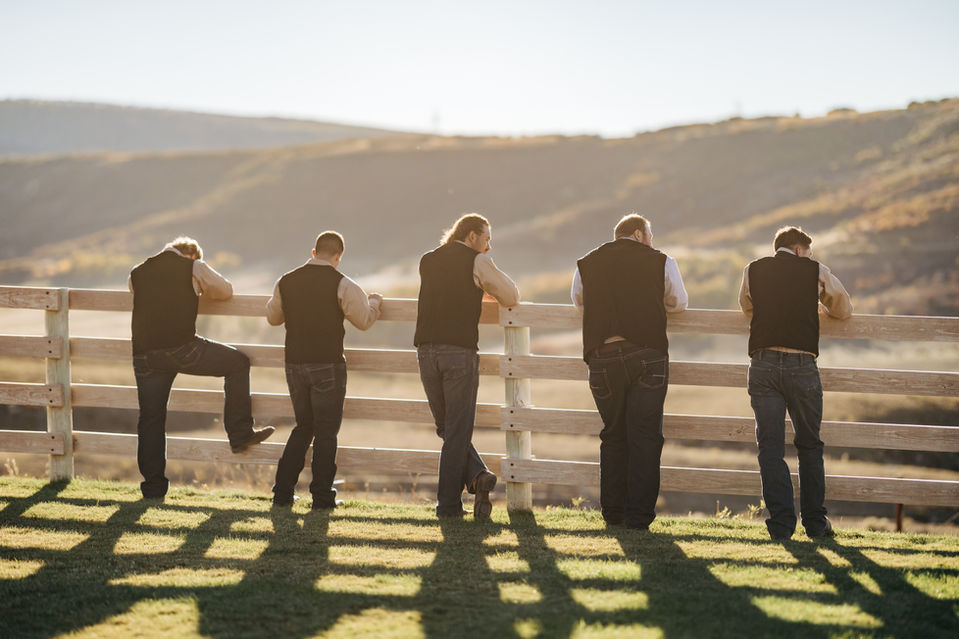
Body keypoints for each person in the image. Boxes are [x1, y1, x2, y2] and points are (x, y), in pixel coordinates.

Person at [130, 237, 274, 499]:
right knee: (238, 364)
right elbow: (225, 291)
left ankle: (153, 487)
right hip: (181, 348)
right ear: (191, 255)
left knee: (151, 419)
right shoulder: (193, 267)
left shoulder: (137, 273)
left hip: (145, 355)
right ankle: (239, 433)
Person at [572, 214, 688, 530]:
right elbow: (678, 303)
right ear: (639, 234)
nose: (652, 241)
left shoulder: (587, 263)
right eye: (650, 235)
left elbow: (579, 301)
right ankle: (638, 517)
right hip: (647, 354)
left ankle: (613, 513)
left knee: (613, 436)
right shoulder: (661, 261)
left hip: (603, 356)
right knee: (646, 436)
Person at [739, 226, 852, 540]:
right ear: (800, 249)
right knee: (809, 446)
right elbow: (843, 308)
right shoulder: (814, 271)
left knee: (770, 448)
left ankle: (781, 525)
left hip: (762, 364)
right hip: (801, 365)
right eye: (809, 253)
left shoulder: (753, 269)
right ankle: (815, 524)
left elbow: (746, 306)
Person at [266, 231, 383, 509]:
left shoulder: (286, 280)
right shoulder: (342, 283)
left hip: (294, 363)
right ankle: (321, 495)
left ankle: (282, 492)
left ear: (314, 252)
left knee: (303, 426)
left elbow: (272, 318)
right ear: (338, 257)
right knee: (326, 432)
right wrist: (375, 303)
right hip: (327, 364)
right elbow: (364, 321)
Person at [414, 213, 520, 519]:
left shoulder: (427, 260)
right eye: (486, 239)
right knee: (456, 429)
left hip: (425, 351)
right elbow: (511, 295)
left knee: (446, 427)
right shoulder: (477, 261)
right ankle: (448, 505)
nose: (488, 247)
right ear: (472, 236)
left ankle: (477, 476)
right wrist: (483, 284)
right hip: (458, 352)